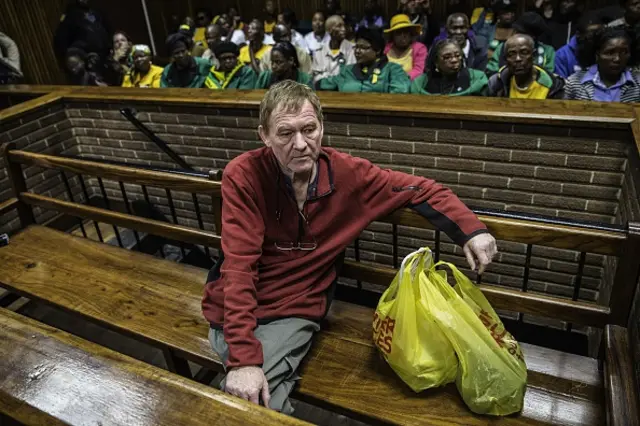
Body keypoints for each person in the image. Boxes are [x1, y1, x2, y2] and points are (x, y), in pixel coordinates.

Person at [202, 80, 497, 415]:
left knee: (247, 402)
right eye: (285, 133)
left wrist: (471, 230)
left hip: (296, 303)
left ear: (322, 128)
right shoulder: (244, 174)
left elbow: (421, 189)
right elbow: (239, 265)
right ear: (264, 136)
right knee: (254, 394)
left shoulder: (347, 173)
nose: (300, 144)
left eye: (309, 129)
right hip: (236, 301)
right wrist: (242, 358)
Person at [318, 28, 410, 93]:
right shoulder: (347, 70)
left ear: (377, 50)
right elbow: (325, 84)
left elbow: (401, 92)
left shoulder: (392, 69)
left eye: (363, 47)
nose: (357, 51)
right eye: (356, 47)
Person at [564, 26, 640, 102]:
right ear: (597, 55)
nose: (617, 59)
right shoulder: (575, 83)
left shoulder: (638, 84)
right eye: (610, 52)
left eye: (624, 52)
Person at [487, 34, 564, 99]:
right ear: (506, 59)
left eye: (524, 52)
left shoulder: (553, 85)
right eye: (512, 54)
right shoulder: (497, 83)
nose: (518, 59)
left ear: (533, 56)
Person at [486, 12, 556, 76]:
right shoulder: (503, 48)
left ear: (533, 37)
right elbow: (491, 72)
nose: (516, 35)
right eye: (516, 31)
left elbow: (549, 77)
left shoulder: (547, 51)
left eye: (520, 33)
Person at [411, 39, 488, 95]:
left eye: (458, 56)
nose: (454, 60)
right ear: (436, 62)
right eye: (447, 57)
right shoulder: (421, 83)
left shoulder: (477, 78)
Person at [555, 11, 606, 78]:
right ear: (578, 35)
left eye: (599, 35)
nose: (595, 41)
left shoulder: (605, 52)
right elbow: (561, 84)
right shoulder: (563, 55)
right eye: (591, 37)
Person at [311, 15, 356, 83]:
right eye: (339, 26)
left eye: (344, 26)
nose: (343, 29)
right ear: (329, 30)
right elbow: (316, 78)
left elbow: (350, 75)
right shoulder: (319, 52)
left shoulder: (352, 49)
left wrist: (327, 78)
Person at [383, 14, 428, 81]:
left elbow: (418, 71)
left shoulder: (419, 48)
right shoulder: (387, 48)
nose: (403, 36)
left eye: (406, 31)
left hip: (410, 86)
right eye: (398, 33)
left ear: (411, 33)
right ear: (392, 36)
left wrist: (398, 79)